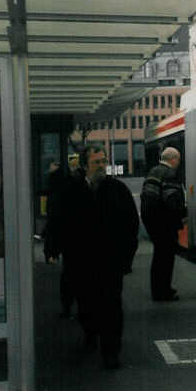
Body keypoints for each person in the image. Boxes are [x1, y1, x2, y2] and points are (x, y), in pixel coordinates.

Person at [57, 145, 139, 370]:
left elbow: (131, 225)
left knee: (112, 307)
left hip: (111, 262)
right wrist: (57, 249)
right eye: (97, 162)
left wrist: (127, 259)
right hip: (81, 262)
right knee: (86, 303)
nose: (102, 166)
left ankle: (111, 352)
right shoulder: (72, 191)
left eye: (104, 161)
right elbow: (61, 222)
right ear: (85, 166)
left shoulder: (118, 190)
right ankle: (91, 332)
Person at [141, 147, 186, 302]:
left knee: (158, 257)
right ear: (173, 159)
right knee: (166, 258)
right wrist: (180, 218)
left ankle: (157, 289)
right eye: (178, 160)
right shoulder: (170, 175)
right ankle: (164, 291)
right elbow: (171, 201)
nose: (178, 163)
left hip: (151, 221)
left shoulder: (153, 172)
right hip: (165, 223)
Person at [44, 153, 80, 318]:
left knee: (69, 273)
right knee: (75, 273)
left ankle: (68, 307)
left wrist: (51, 250)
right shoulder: (78, 181)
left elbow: (54, 217)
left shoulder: (57, 181)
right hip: (75, 235)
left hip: (68, 235)